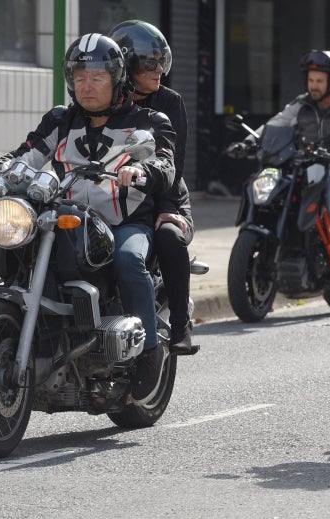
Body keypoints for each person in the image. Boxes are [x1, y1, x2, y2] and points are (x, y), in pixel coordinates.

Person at [0, 34, 176, 405]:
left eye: (97, 78)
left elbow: (165, 162)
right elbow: (28, 154)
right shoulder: (61, 119)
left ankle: (150, 352)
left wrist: (142, 171)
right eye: (79, 77)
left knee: (128, 259)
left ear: (117, 79)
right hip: (66, 217)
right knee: (17, 244)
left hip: (125, 223)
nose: (86, 86)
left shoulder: (147, 120)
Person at [110, 20, 197, 355]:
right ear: (126, 65)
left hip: (166, 191)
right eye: (150, 63)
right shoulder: (106, 102)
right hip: (116, 194)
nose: (159, 69)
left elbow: (176, 165)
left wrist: (167, 208)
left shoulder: (169, 102)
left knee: (168, 236)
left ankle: (180, 327)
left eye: (162, 61)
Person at [239, 49, 330, 281]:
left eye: (319, 81)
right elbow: (275, 123)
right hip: (301, 164)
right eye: (310, 80)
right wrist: (248, 142)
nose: (314, 85)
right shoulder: (302, 104)